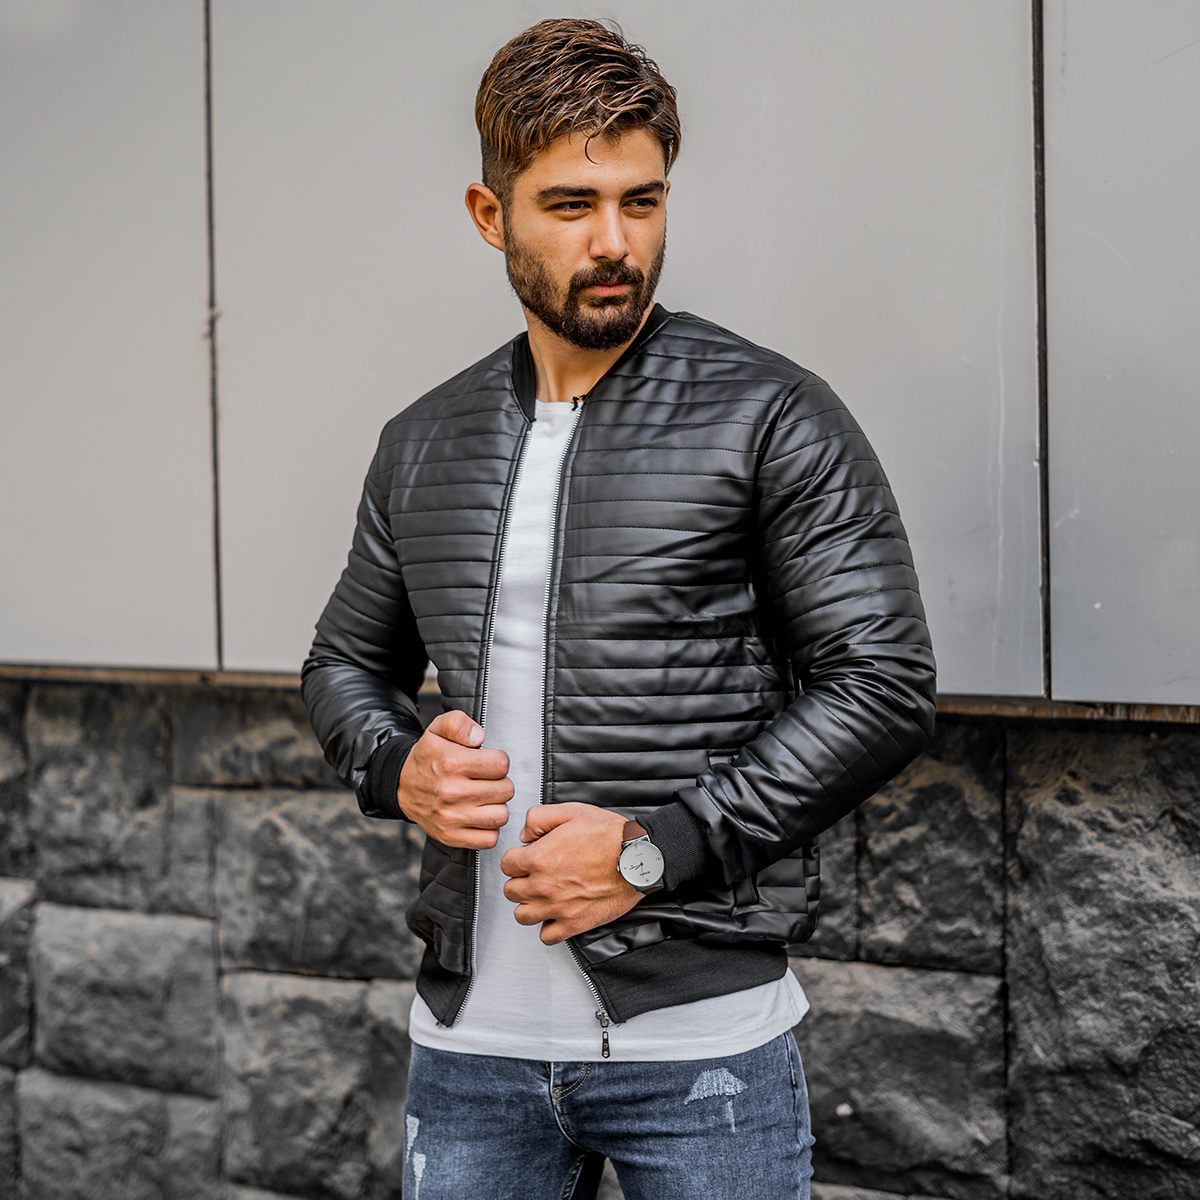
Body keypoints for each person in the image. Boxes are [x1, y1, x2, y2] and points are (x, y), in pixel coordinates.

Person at [302, 18, 935, 1200]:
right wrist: (397, 767)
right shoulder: (424, 441)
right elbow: (342, 666)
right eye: (570, 204)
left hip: (701, 1051)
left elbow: (882, 684)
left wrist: (653, 850)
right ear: (490, 214)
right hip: (470, 1052)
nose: (614, 242)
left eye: (642, 202)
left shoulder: (770, 414)